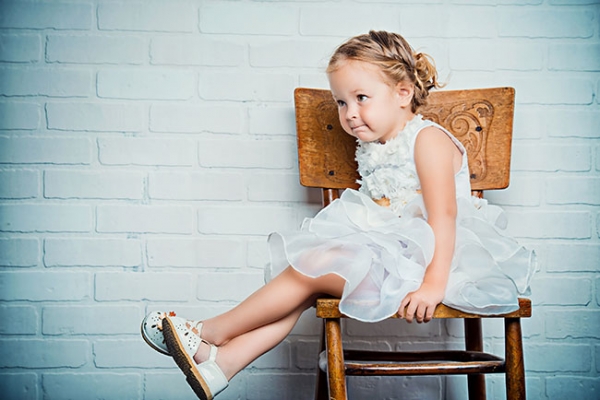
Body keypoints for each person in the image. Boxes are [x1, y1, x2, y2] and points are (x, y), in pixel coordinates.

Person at [140, 30, 536, 400]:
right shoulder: (376, 147)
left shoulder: (428, 139)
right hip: (395, 255)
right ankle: (221, 363)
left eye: (361, 97)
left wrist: (433, 285)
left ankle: (207, 333)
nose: (349, 113)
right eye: (341, 102)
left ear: (403, 92)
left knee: (309, 269)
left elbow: (445, 216)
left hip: (434, 264)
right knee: (307, 279)